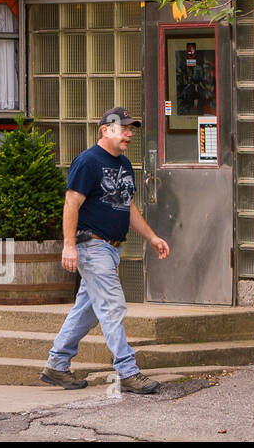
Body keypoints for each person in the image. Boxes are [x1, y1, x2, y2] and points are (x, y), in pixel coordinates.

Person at [40, 108, 170, 395]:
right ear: (105, 130)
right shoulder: (87, 162)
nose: (129, 133)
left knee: (87, 311)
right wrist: (69, 245)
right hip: (91, 246)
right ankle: (127, 370)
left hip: (112, 249)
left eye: (131, 129)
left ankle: (56, 365)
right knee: (112, 305)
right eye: (123, 128)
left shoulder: (124, 164)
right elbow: (71, 203)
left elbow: (128, 206)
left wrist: (151, 237)